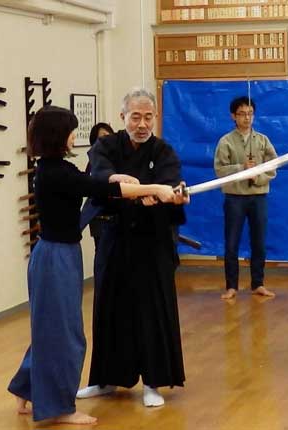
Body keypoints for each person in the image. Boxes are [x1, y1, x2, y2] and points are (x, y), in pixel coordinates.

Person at [7, 106, 179, 425]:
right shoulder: (57, 172)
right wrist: (153, 188)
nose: (75, 135)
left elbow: (95, 183)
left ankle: (26, 388)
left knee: (48, 328)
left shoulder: (53, 167)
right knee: (65, 334)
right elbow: (101, 189)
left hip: (57, 254)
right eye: (71, 130)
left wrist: (117, 177)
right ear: (59, 136)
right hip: (56, 258)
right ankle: (59, 407)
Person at [76, 88, 190, 407]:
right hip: (114, 237)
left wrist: (174, 196)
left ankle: (153, 381)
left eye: (148, 117)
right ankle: (105, 379)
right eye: (135, 116)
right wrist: (127, 185)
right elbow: (101, 179)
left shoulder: (163, 150)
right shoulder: (105, 146)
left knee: (153, 308)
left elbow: (172, 183)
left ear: (155, 118)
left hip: (152, 240)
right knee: (109, 307)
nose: (142, 124)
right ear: (122, 116)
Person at [213, 96, 278, 300]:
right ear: (233, 116)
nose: (247, 118)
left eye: (250, 113)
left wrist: (258, 176)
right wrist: (241, 168)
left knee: (259, 241)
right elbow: (220, 170)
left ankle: (258, 283)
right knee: (231, 242)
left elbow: (273, 165)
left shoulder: (262, 140)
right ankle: (231, 286)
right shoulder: (226, 141)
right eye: (242, 114)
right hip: (235, 198)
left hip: (258, 197)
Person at [86, 122, 114, 251]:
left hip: (116, 217)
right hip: (99, 217)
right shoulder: (93, 163)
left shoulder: (116, 160)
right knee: (101, 253)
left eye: (109, 136)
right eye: (102, 137)